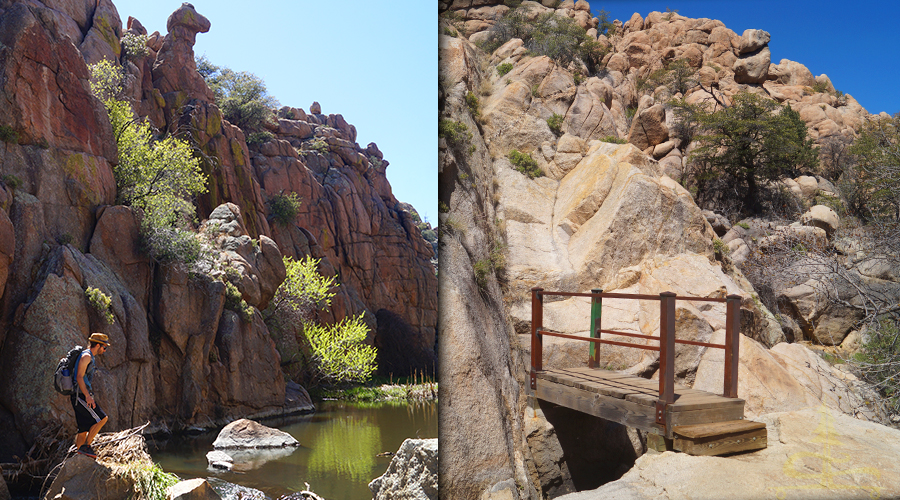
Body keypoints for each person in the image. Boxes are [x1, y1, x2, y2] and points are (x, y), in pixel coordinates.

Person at [71, 333, 110, 458]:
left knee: (83, 429)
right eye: (104, 347)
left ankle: (80, 457)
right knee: (102, 418)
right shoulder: (86, 356)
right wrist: (87, 396)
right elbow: (79, 377)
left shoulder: (89, 356)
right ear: (97, 345)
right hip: (80, 395)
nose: (104, 350)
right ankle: (86, 447)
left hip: (78, 395)